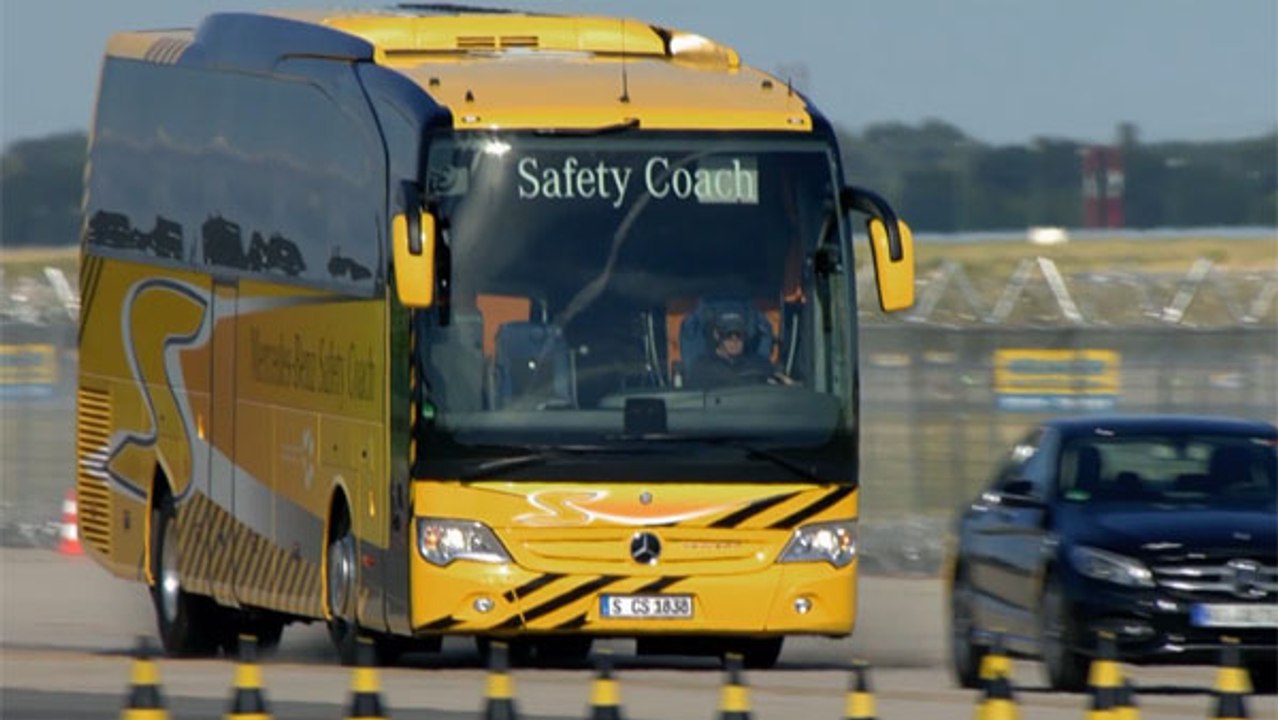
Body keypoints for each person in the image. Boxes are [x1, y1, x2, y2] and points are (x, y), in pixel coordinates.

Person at [687, 309, 792, 388]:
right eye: (728, 334)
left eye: (739, 335)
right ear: (717, 335)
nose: (734, 340)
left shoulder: (760, 365)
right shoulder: (701, 368)